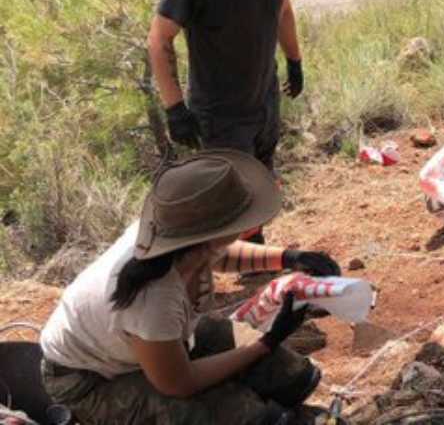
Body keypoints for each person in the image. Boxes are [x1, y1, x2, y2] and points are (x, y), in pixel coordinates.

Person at [39, 149, 342, 424]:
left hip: (149, 341)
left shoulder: (170, 238)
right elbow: (178, 382)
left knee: (291, 375)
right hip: (89, 379)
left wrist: (290, 257)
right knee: (240, 415)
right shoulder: (153, 296)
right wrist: (267, 341)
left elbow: (221, 254)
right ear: (210, 234)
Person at [148, 0, 303, 239]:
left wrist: (294, 61)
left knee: (262, 180)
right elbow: (158, 41)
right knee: (235, 196)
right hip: (220, 114)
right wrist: (174, 108)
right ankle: (236, 268)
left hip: (264, 97)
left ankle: (257, 255)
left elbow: (283, 9)